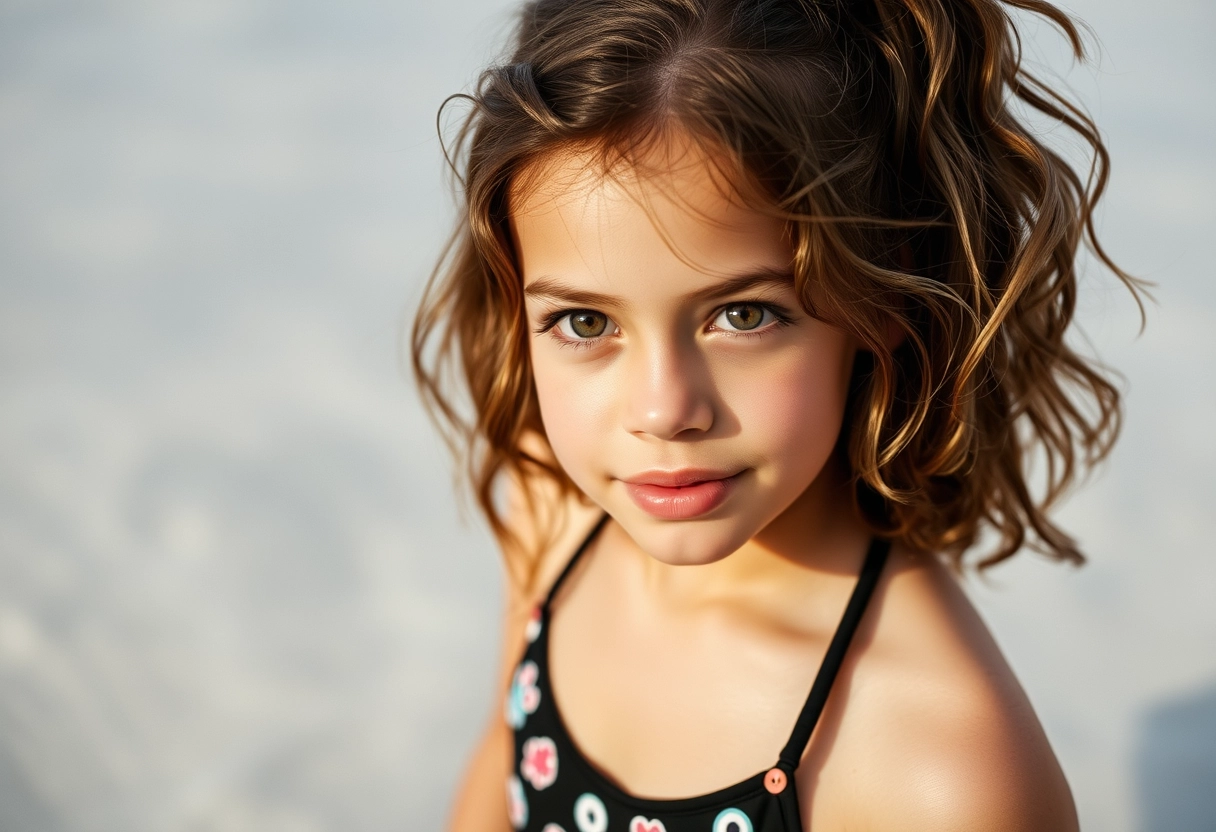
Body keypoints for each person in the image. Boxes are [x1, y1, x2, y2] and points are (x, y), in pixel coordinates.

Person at [412, 0, 1142, 829]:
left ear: (883, 296)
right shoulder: (552, 509)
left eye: (744, 316)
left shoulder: (943, 771)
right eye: (585, 323)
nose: (663, 411)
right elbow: (492, 787)